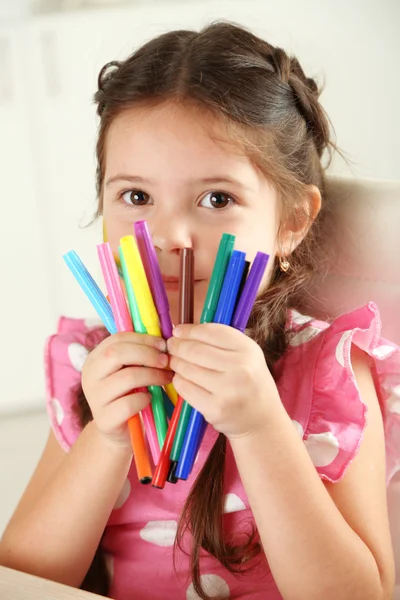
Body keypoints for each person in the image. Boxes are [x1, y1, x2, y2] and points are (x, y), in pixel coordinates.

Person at [0, 21, 398, 600]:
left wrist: (261, 426)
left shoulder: (328, 369)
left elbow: (360, 595)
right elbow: (22, 577)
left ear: (291, 223)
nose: (170, 235)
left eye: (217, 199)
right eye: (136, 196)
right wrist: (106, 440)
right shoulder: (92, 360)